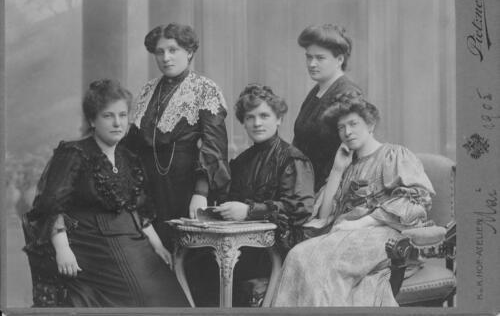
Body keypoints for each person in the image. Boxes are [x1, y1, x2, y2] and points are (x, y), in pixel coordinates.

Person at [23, 79, 189, 307]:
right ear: (92, 120)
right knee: (134, 295)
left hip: (132, 241)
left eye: (122, 115)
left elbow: (139, 208)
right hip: (92, 245)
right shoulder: (74, 153)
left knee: (165, 295)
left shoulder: (128, 159)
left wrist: (158, 246)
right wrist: (63, 249)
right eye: (108, 116)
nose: (117, 123)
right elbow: (51, 205)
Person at [272, 98, 435, 306]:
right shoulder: (348, 165)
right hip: (346, 235)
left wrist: (361, 223)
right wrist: (337, 170)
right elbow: (324, 216)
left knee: (321, 263)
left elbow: (417, 202)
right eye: (341, 127)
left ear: (370, 124)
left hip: (384, 236)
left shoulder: (393, 155)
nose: (347, 132)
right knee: (297, 255)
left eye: (353, 124)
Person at [123, 23, 231, 243]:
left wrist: (200, 192)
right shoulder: (147, 90)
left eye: (173, 50)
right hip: (151, 187)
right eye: (160, 52)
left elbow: (214, 146)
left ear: (189, 52)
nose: (166, 57)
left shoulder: (204, 89)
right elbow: (132, 142)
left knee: (188, 252)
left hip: (187, 187)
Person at [214, 84, 315, 306]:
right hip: (243, 247)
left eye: (264, 115)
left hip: (280, 248)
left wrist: (249, 211)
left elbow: (299, 208)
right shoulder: (241, 162)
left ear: (278, 119)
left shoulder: (292, 159)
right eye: (250, 117)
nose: (257, 123)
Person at [293, 24, 363, 192]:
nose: (312, 64)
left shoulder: (349, 94)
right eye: (308, 57)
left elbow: (351, 153)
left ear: (339, 60)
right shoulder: (316, 91)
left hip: (331, 188)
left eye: (320, 58)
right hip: (305, 185)